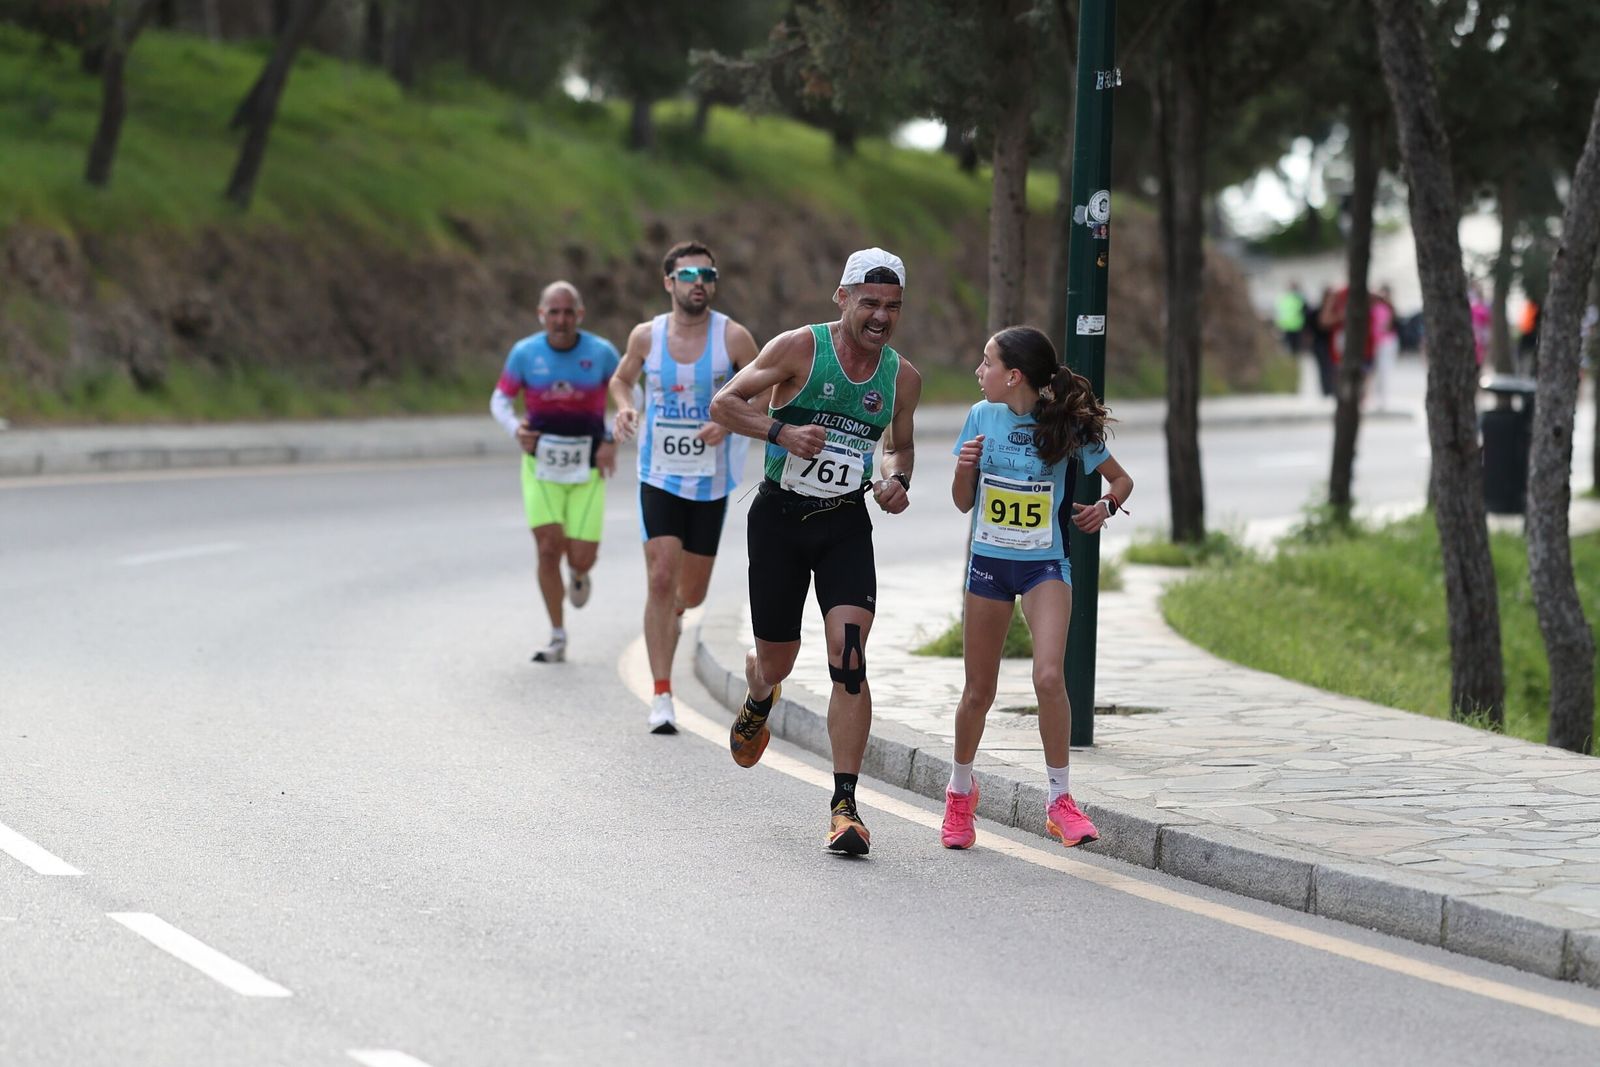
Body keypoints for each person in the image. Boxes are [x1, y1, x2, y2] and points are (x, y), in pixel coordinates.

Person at [708, 247, 921, 856]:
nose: (880, 317)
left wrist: (896, 480)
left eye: (893, 307)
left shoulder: (902, 378)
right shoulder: (799, 348)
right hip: (777, 519)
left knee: (848, 657)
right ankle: (759, 694)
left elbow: (899, 446)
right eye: (870, 303)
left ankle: (845, 806)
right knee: (778, 661)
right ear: (843, 298)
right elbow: (723, 404)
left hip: (844, 524)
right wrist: (782, 432)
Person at [940, 326, 1133, 852]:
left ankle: (1059, 801)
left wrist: (1105, 507)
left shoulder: (1065, 425)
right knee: (979, 690)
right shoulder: (981, 417)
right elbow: (962, 502)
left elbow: (1122, 481)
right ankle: (960, 794)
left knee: (1049, 675)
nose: (979, 373)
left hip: (1045, 565)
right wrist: (965, 469)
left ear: (1014, 375)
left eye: (987, 363)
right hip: (989, 566)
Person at [610, 241, 759, 733]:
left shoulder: (734, 338)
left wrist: (730, 421)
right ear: (669, 282)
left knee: (689, 595)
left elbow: (767, 395)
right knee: (659, 575)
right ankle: (661, 696)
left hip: (710, 479)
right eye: (689, 273)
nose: (700, 282)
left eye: (708, 274)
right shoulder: (646, 336)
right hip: (659, 472)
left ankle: (674, 611)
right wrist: (626, 407)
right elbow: (621, 380)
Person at [490, 281, 620, 664]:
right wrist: (516, 429)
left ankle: (579, 574)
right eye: (554, 312)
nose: (561, 320)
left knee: (579, 557)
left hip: (587, 467)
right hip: (540, 466)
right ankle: (558, 634)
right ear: (541, 314)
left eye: (568, 312)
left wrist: (613, 437)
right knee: (548, 548)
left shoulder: (600, 353)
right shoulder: (525, 353)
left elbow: (632, 393)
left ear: (579, 315)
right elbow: (500, 398)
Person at [1369, 284, 1399, 411]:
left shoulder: (1389, 308)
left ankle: (1383, 400)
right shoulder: (1375, 308)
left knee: (1384, 371)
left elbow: (1388, 325)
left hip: (1386, 343)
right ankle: (1377, 399)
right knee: (1375, 372)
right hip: (1377, 343)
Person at [1275, 281, 1307, 354]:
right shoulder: (1299, 298)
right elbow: (1305, 312)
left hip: (1288, 326)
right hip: (1296, 325)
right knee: (1296, 347)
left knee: (1292, 346)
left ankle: (1294, 356)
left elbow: (1279, 313)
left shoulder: (1284, 299)